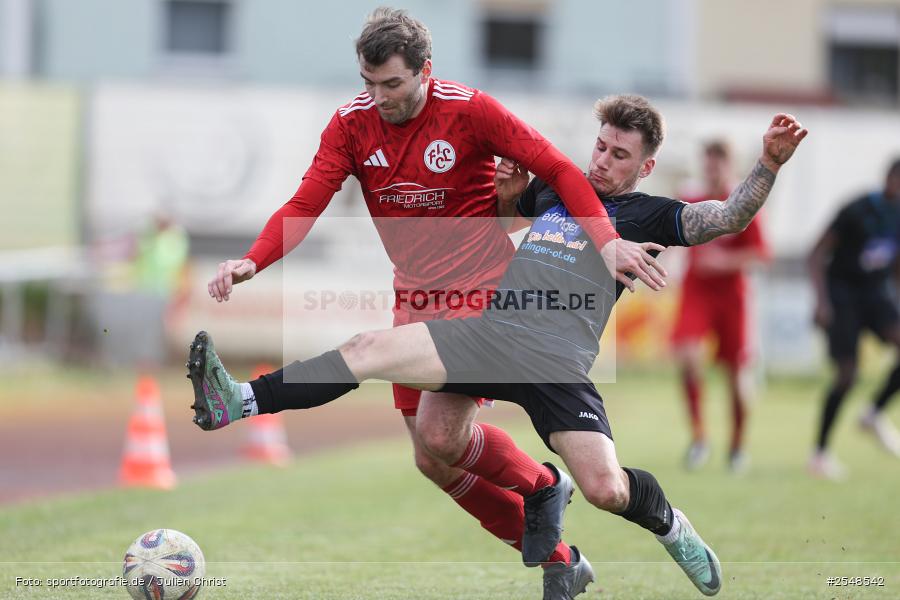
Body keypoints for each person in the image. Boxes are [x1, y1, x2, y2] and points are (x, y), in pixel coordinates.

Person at [190, 95, 808, 597]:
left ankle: (672, 526)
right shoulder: (556, 191)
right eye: (600, 146)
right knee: (376, 357)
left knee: (606, 489)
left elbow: (724, 219)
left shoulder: (648, 214)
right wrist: (511, 195)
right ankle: (240, 399)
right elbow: (501, 225)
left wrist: (770, 166)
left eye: (620, 156)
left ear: (645, 167)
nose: (602, 162)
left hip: (557, 365)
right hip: (489, 334)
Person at [204, 8, 665, 597]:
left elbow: (555, 167)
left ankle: (544, 483)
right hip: (416, 294)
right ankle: (559, 557)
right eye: (368, 84)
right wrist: (253, 260)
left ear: (425, 71)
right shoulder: (350, 125)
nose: (379, 98)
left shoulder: (470, 109)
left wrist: (606, 244)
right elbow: (306, 202)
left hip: (483, 292)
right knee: (433, 460)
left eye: (392, 85)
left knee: (435, 430)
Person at [670, 140, 771, 472]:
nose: (712, 169)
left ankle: (738, 446)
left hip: (733, 296)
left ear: (731, 166)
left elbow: (761, 253)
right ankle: (699, 439)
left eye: (719, 163)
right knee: (686, 355)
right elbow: (668, 230)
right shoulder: (693, 200)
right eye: (708, 163)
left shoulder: (744, 205)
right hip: (697, 290)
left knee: (738, 377)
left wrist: (724, 260)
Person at [808, 158, 900, 480]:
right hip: (842, 294)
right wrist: (821, 302)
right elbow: (816, 253)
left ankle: (873, 413)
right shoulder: (858, 209)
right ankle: (819, 454)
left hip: (875, 295)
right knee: (847, 375)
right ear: (890, 178)